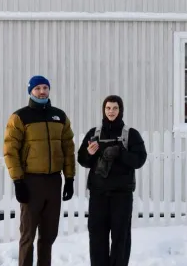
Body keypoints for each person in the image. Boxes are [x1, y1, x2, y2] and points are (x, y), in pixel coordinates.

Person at [3, 75, 76, 266]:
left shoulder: (59, 116)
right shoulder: (20, 117)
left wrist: (69, 178)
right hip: (30, 182)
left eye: (45, 88)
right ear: (30, 91)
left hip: (54, 182)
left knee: (49, 234)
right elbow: (10, 150)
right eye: (37, 88)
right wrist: (18, 181)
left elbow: (68, 147)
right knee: (28, 235)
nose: (42, 91)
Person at [77, 95, 147, 266]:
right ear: (103, 110)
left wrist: (121, 153)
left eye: (115, 108)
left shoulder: (130, 134)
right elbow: (82, 159)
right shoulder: (94, 133)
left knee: (120, 237)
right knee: (97, 236)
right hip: (98, 195)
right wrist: (90, 153)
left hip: (121, 196)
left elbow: (139, 160)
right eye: (108, 108)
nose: (111, 111)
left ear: (120, 110)